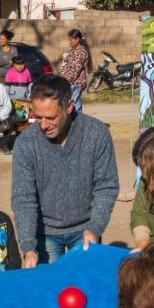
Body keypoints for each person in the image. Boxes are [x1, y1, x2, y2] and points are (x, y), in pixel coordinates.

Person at [11, 75, 119, 267]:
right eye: (38, 117)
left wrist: (95, 227)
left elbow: (106, 186)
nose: (43, 125)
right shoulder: (25, 143)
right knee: (50, 292)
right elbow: (23, 198)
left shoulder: (96, 133)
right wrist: (28, 246)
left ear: (69, 106)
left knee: (85, 287)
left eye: (51, 117)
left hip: (86, 230)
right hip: (45, 234)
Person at [59, 28, 92, 112]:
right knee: (70, 106)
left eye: (71, 40)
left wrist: (64, 82)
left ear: (77, 39)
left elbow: (74, 71)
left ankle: (79, 123)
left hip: (75, 83)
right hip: (69, 82)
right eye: (68, 40)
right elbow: (66, 65)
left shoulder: (81, 52)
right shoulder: (72, 51)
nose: (69, 42)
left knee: (75, 106)